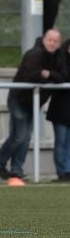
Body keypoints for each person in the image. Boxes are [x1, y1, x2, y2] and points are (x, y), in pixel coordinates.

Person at [0, 29, 64, 185]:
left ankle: (16, 171)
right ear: (44, 39)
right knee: (20, 135)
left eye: (56, 41)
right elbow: (32, 74)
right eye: (50, 39)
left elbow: (63, 75)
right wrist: (49, 76)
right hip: (19, 99)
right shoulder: (34, 54)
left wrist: (48, 74)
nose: (52, 43)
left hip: (34, 101)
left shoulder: (58, 56)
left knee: (25, 137)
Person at [46, 38, 70, 182]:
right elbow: (62, 77)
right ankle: (62, 172)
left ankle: (67, 170)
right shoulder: (60, 59)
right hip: (60, 110)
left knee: (67, 143)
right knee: (61, 142)